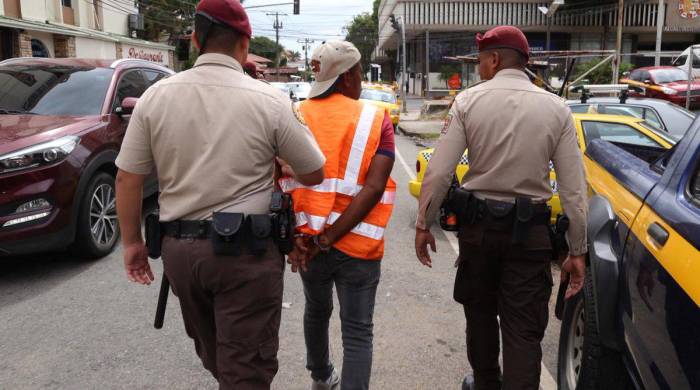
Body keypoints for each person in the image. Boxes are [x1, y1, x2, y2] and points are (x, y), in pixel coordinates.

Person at [114, 0, 326, 388]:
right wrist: (282, 165)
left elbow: (128, 178)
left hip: (180, 254)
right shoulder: (271, 100)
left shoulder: (154, 98)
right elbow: (314, 171)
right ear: (245, 44)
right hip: (246, 255)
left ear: (195, 39)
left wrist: (131, 244)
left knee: (218, 357)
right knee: (245, 370)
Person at [414, 26, 588, 390]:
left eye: (480, 61)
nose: (479, 68)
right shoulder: (556, 108)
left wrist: (423, 224)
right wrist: (577, 251)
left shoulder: (468, 102)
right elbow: (573, 190)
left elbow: (440, 171)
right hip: (531, 238)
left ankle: (485, 382)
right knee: (523, 331)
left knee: (479, 315)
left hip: (479, 233)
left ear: (494, 59)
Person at [278, 40, 396, 390]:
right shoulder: (376, 118)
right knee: (358, 331)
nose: (360, 80)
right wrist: (330, 238)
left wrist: (298, 242)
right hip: (358, 246)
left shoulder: (294, 113)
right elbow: (373, 188)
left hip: (306, 243)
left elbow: (278, 181)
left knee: (316, 310)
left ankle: (321, 375)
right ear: (346, 77)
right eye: (359, 72)